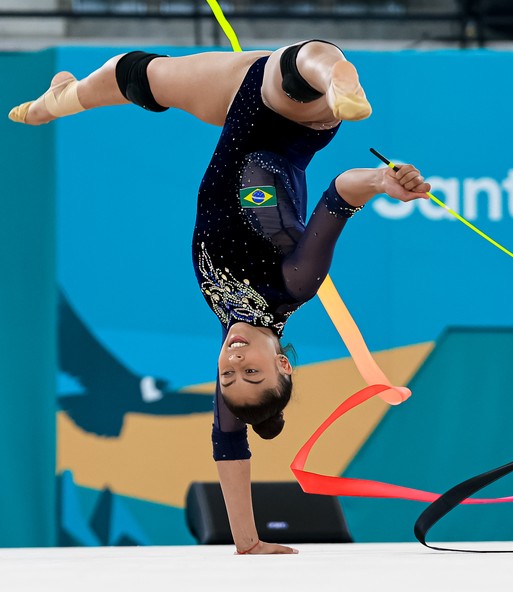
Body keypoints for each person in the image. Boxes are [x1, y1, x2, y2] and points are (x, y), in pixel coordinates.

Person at [9, 41, 431, 554]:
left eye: (228, 376)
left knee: (134, 75)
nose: (233, 364)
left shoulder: (227, 313)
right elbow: (341, 191)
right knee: (307, 60)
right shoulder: (294, 286)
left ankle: (58, 98)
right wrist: (385, 182)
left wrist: (246, 541)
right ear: (283, 364)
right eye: (252, 371)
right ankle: (339, 77)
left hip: (234, 104)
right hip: (290, 121)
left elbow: (228, 442)